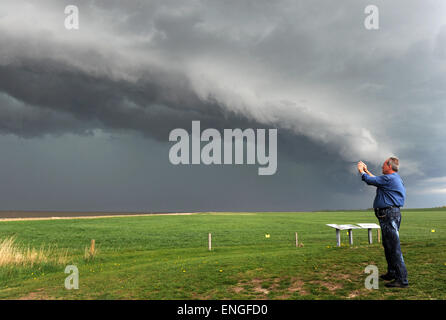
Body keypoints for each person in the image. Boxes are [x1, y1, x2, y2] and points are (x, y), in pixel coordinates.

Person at [357, 157, 409, 288]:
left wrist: (361, 172)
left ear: (389, 166)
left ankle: (402, 279)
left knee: (394, 247)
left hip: (389, 215)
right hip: (391, 214)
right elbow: (376, 179)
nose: (381, 167)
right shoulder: (392, 178)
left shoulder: (389, 178)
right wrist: (367, 171)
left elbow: (370, 181)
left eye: (383, 165)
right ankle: (392, 273)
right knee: (388, 245)